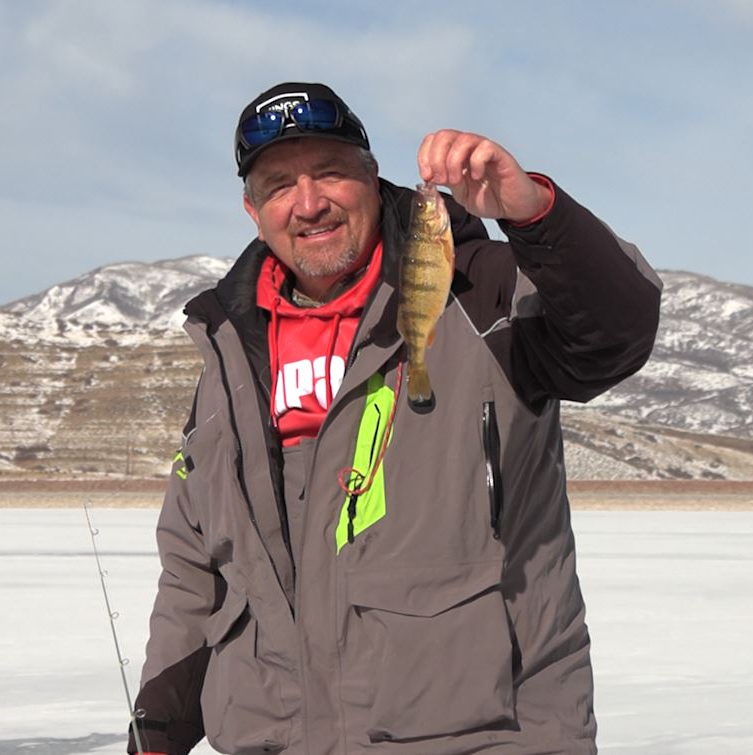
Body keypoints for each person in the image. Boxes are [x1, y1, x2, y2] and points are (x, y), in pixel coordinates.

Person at [127, 82, 661, 755]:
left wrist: (532, 215)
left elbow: (616, 333)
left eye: (329, 172)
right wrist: (158, 724)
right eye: (278, 183)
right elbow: (193, 561)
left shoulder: (476, 289)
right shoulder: (230, 348)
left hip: (482, 736)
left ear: (372, 179)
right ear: (251, 207)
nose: (308, 201)